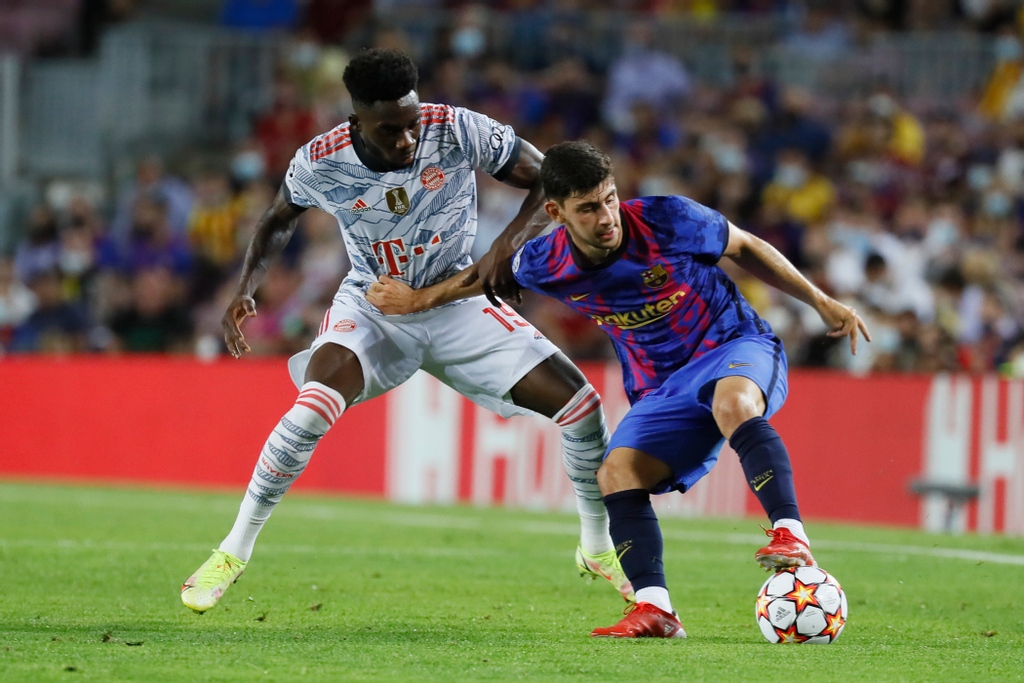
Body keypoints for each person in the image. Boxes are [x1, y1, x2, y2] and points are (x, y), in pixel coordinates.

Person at [180, 49, 632, 614]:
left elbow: (548, 177)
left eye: (411, 123)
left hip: (456, 300)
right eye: (389, 130)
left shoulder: (458, 129)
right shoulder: (322, 160)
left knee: (584, 408)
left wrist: (504, 245)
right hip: (373, 305)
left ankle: (595, 545)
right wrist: (246, 287)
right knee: (311, 406)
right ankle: (232, 551)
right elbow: (277, 218)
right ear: (356, 123)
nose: (406, 139)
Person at [366, 140, 871, 639]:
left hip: (734, 343)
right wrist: (417, 300)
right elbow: (484, 277)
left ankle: (791, 534)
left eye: (608, 198)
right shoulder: (545, 261)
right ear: (555, 212)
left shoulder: (668, 219)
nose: (606, 216)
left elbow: (745, 246)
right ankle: (656, 609)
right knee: (615, 471)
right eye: (587, 208)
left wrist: (821, 302)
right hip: (661, 387)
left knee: (732, 401)